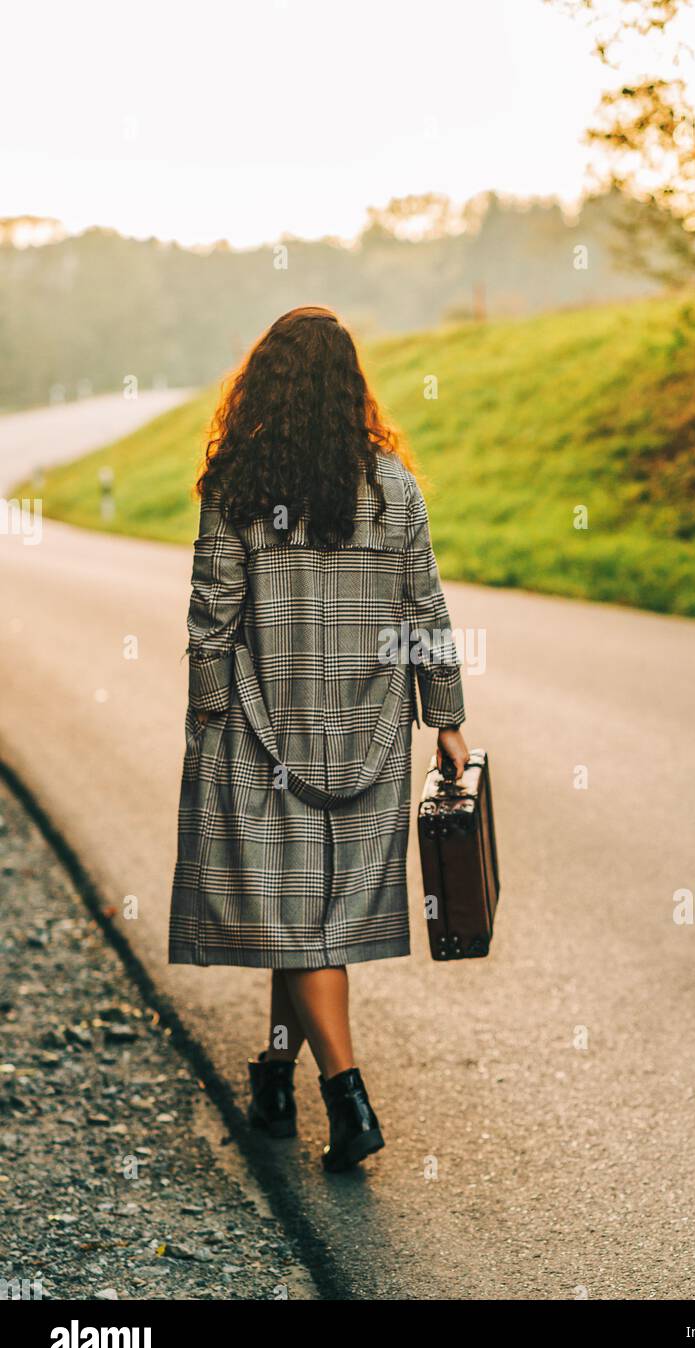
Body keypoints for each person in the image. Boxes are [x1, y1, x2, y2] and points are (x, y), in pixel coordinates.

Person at [168, 306, 468, 1172]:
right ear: (350, 387)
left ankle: (348, 1100)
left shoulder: (235, 485)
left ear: (262, 383)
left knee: (299, 922)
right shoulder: (393, 486)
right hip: (373, 733)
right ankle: (272, 1075)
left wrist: (207, 724)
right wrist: (444, 717)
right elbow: (424, 612)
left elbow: (211, 620)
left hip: (266, 736)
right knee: (306, 920)